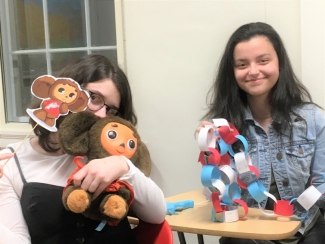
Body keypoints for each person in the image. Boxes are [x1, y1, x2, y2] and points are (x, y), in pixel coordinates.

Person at [0, 54, 166, 243]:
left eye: (111, 109)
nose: (102, 114)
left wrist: (124, 166)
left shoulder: (110, 151)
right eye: (94, 98)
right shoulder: (10, 162)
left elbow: (157, 215)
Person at [197, 22, 325, 244]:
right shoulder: (224, 130)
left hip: (305, 226)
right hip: (248, 230)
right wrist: (209, 152)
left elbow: (322, 182)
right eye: (242, 64)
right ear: (233, 72)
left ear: (280, 64)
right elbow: (216, 195)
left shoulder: (314, 120)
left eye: (263, 61)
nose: (253, 71)